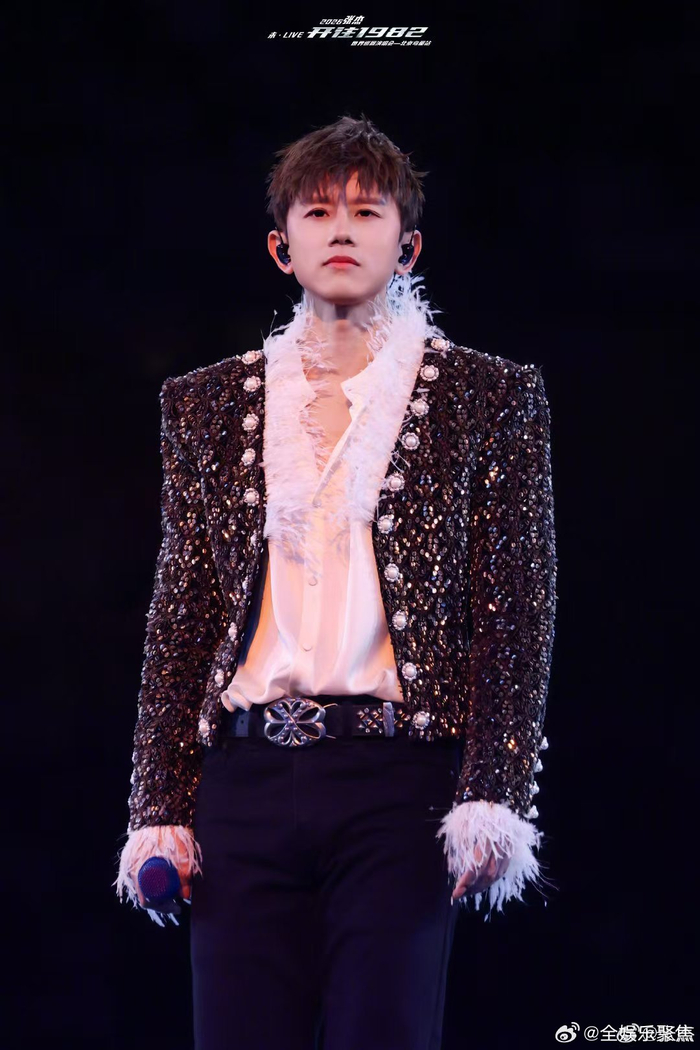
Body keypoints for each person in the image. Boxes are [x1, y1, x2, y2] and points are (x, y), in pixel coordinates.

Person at [114, 113, 558, 1050]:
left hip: (398, 781)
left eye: (367, 210)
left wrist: (496, 789)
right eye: (318, 212)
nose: (342, 229)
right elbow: (182, 613)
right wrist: (158, 808)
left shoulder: (489, 397)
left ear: (409, 245)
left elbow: (516, 609)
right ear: (282, 248)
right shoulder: (204, 404)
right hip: (243, 778)